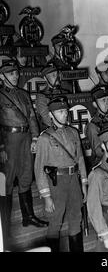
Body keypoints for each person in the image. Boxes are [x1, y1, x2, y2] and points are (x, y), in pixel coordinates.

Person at [0, 58, 48, 247]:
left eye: (16, 72)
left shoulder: (24, 94)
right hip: (8, 141)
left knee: (26, 176)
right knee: (7, 183)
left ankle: (28, 217)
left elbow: (31, 117)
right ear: (2, 76)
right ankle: (4, 226)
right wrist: (1, 147)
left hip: (26, 138)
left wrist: (35, 138)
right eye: (11, 73)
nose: (16, 75)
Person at [34, 96, 88, 252]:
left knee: (75, 219)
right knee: (55, 222)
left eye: (65, 111)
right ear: (51, 115)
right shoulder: (45, 138)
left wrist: (83, 183)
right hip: (56, 183)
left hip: (74, 181)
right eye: (60, 111)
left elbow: (80, 159)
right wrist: (46, 197)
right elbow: (39, 169)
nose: (65, 114)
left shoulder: (73, 132)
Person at [85, 85, 108, 169]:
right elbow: (98, 152)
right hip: (102, 166)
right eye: (103, 100)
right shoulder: (93, 125)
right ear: (95, 104)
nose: (107, 103)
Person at [35, 62, 69, 130]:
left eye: (57, 74)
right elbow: (47, 120)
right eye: (53, 75)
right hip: (52, 132)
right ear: (45, 78)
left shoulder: (65, 92)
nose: (57, 77)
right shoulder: (42, 97)